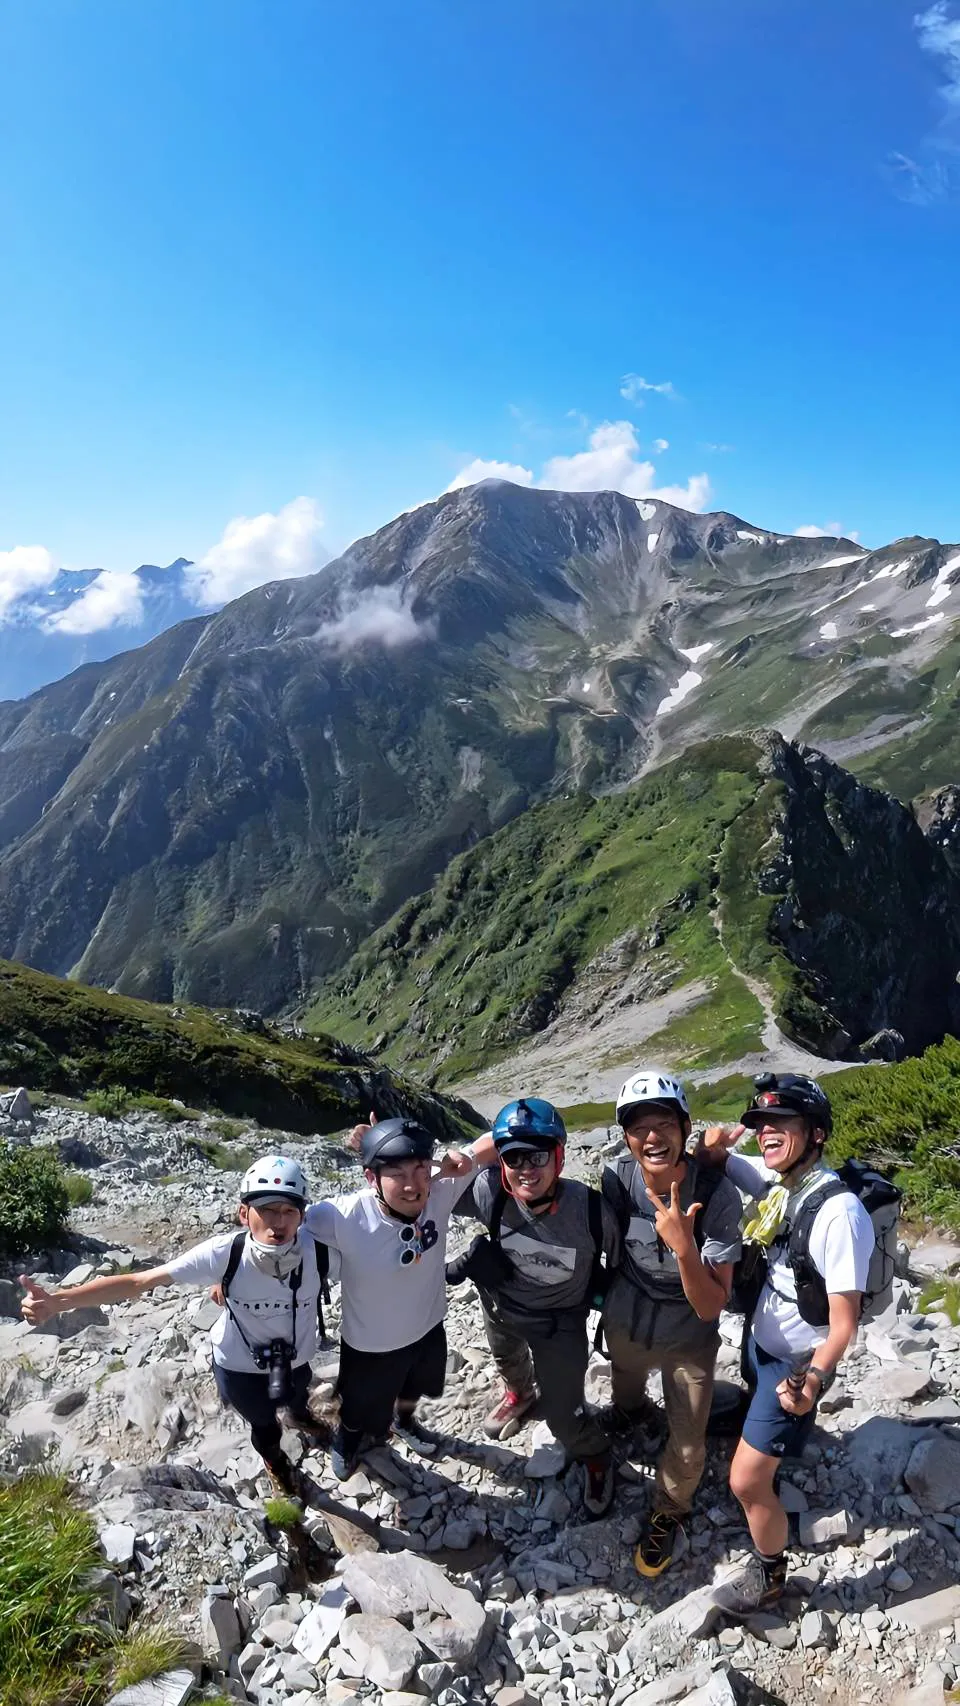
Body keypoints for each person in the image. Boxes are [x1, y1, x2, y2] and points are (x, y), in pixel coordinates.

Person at [20, 1155, 336, 1493]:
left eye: (289, 1211)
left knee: (296, 1394)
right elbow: (140, 1282)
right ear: (244, 1214)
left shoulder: (320, 1253)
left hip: (296, 1357)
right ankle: (275, 1461)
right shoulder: (225, 1254)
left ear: (302, 1216)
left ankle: (300, 1416)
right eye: (268, 1210)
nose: (279, 1222)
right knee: (263, 1424)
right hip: (239, 1367)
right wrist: (59, 1301)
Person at [703, 1073, 874, 1615]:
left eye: (782, 1125)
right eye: (760, 1125)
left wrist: (814, 1381)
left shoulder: (838, 1214)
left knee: (746, 1480)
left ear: (817, 1133)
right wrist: (711, 1148)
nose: (766, 1134)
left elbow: (845, 1322)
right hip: (763, 1344)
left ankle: (771, 1573)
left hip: (796, 1365)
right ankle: (773, 1431)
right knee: (755, 1404)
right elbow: (725, 1161)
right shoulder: (781, 1186)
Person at [600, 1067, 744, 1577]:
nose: (652, 1137)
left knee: (686, 1442)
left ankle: (669, 1509)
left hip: (689, 1324)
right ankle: (631, 1411)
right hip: (632, 1306)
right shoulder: (616, 1177)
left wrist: (684, 1247)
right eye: (639, 1127)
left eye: (664, 1123)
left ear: (685, 1128)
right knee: (624, 1371)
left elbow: (711, 1306)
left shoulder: (718, 1197)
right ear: (625, 1136)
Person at [449, 1097, 621, 1518]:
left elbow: (618, 1267)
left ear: (559, 1158)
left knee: (564, 1419)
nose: (526, 1168)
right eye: (513, 1157)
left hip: (561, 1324)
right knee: (506, 1356)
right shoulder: (490, 1190)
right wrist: (467, 1155)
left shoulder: (593, 1212)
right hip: (501, 1303)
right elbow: (431, 1195)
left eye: (538, 1155)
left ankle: (596, 1454)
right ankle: (521, 1394)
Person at [303, 1115, 479, 1481]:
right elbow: (278, 1222)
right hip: (371, 1344)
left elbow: (492, 1142)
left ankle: (404, 1421)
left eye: (420, 1169)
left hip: (428, 1325)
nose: (414, 1186)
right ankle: (348, 1441)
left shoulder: (440, 1192)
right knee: (358, 1406)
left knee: (416, 1387)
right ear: (371, 1179)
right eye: (397, 1173)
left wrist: (456, 1155)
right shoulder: (342, 1215)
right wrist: (231, 1273)